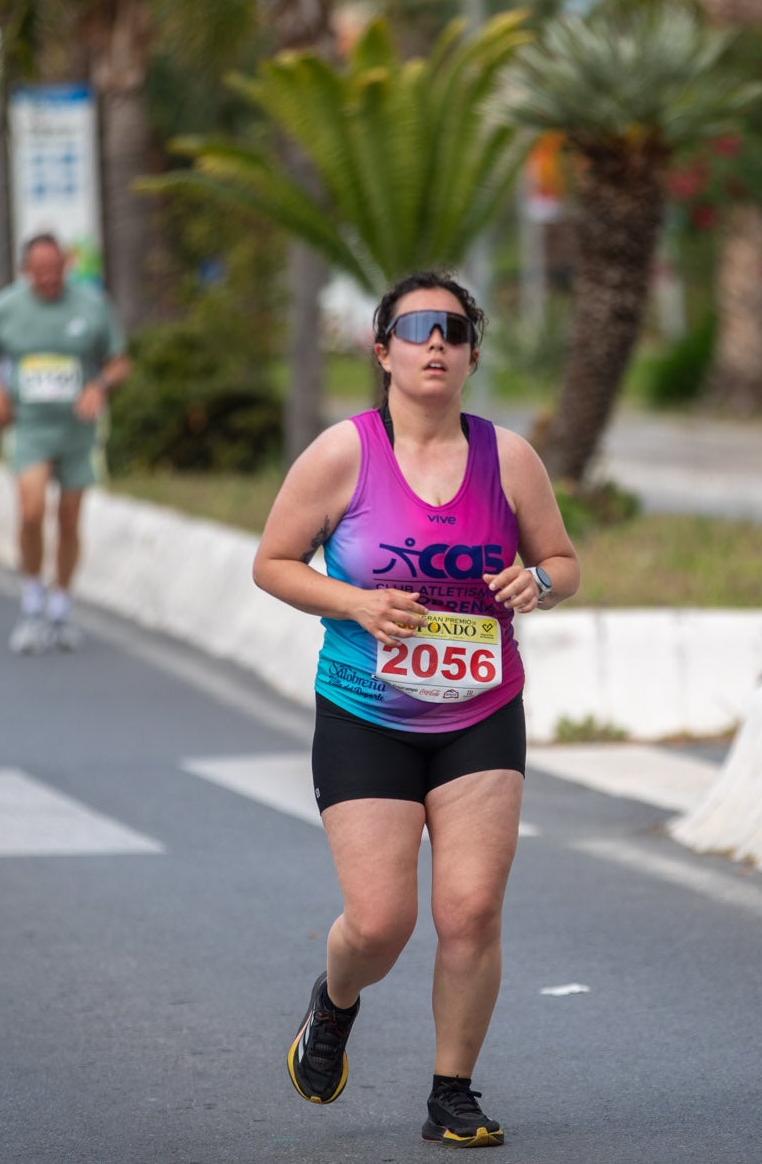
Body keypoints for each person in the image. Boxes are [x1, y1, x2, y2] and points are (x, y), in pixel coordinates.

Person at [253, 271, 580, 1149]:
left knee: (470, 909)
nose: (435, 343)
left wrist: (538, 582)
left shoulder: (508, 458)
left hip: (481, 710)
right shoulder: (341, 454)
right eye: (417, 328)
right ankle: (336, 1001)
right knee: (381, 920)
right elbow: (274, 562)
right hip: (366, 712)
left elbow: (561, 559)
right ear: (383, 350)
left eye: (454, 329)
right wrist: (355, 603)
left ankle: (453, 1091)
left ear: (472, 353)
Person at [0, 233, 130, 654]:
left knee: (70, 519)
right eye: (40, 273)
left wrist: (100, 386)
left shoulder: (91, 304)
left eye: (56, 271)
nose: (49, 279)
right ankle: (32, 599)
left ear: (66, 266)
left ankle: (61, 605)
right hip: (29, 427)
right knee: (33, 509)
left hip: (77, 430)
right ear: (26, 271)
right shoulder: (6, 308)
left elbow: (119, 360)